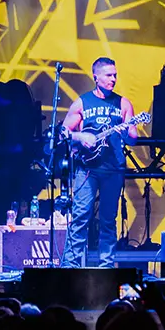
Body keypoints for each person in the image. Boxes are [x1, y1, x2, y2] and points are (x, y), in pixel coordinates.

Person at [62, 57, 136, 268]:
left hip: (113, 169)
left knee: (108, 220)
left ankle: (106, 266)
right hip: (87, 169)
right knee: (80, 216)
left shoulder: (122, 103)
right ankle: (70, 265)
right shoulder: (82, 102)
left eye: (115, 75)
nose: (113, 79)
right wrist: (81, 137)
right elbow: (63, 133)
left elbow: (133, 137)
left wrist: (125, 133)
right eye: (109, 75)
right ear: (96, 77)